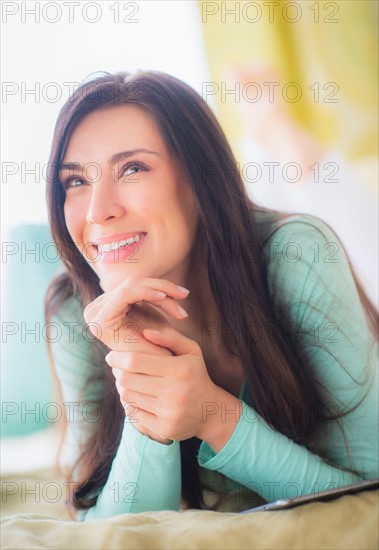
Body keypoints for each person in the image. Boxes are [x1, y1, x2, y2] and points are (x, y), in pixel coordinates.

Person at [45, 71, 378, 521]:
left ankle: (275, 128)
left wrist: (214, 415)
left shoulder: (297, 253)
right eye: (75, 181)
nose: (98, 211)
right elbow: (103, 530)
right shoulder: (73, 309)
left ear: (201, 180)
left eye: (132, 168)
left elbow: (367, 495)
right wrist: (146, 389)